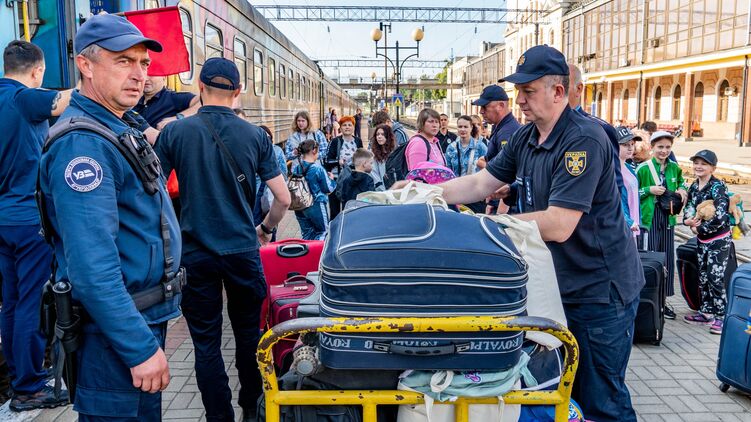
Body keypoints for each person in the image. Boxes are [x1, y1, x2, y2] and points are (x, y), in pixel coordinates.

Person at [394, 45, 644, 422]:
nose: (521, 100)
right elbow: (480, 183)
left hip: (599, 291)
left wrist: (478, 227)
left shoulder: (584, 140)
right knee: (559, 392)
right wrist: (422, 192)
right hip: (558, 285)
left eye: (529, 91)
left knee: (601, 399)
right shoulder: (527, 138)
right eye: (519, 91)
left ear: (558, 91)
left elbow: (559, 224)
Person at [38, 14, 183, 419]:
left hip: (131, 321)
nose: (139, 75)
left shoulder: (116, 126)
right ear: (85, 65)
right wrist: (138, 349)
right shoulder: (84, 147)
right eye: (123, 61)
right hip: (112, 336)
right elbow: (92, 268)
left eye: (143, 63)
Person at [155, 57, 290, 422]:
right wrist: (264, 229)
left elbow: (152, 193)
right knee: (249, 336)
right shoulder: (256, 136)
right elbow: (283, 199)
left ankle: (219, 416)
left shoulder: (175, 133)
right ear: (238, 92)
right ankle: (252, 409)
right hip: (243, 251)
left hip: (194, 254)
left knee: (205, 344)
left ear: (200, 88)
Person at [0, 39, 73, 411]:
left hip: (3, 220)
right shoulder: (24, 98)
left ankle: (20, 376)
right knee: (31, 301)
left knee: (11, 302)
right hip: (29, 220)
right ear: (37, 71)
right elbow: (68, 100)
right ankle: (28, 388)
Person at [636, 130, 688, 320]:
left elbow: (682, 183)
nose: (664, 151)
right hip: (649, 219)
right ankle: (648, 299)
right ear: (652, 147)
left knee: (666, 258)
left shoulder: (674, 167)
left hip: (668, 218)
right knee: (650, 258)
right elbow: (632, 193)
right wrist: (649, 190)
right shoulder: (643, 168)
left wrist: (682, 189)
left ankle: (663, 301)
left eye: (667, 147)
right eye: (660, 147)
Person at [682, 150, 731, 335]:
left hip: (718, 240)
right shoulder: (694, 186)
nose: (699, 166)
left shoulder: (718, 187)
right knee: (703, 276)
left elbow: (720, 217)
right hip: (702, 240)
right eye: (696, 163)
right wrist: (687, 220)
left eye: (704, 164)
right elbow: (689, 207)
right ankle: (706, 312)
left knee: (715, 278)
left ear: (713, 168)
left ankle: (722, 317)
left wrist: (699, 229)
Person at [568, 64, 625, 198]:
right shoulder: (541, 129)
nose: (555, 93)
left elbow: (614, 187)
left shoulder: (600, 129)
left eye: (562, 86)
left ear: (578, 89)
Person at [472, 85, 522, 214]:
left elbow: (509, 173)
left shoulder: (507, 132)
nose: (481, 111)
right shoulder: (500, 127)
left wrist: (500, 208)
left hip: (505, 202)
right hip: (498, 197)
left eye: (485, 107)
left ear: (501, 105)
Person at [292, 140, 336, 240]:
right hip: (316, 204)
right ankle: (319, 250)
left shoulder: (297, 168)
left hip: (300, 205)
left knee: (307, 234)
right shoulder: (318, 169)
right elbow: (328, 188)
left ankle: (307, 250)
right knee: (323, 232)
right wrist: (332, 179)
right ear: (314, 150)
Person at [444, 115, 488, 213]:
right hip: (456, 194)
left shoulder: (480, 147)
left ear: (471, 127)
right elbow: (448, 171)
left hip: (475, 194)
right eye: (460, 127)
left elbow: (489, 169)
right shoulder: (451, 148)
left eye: (465, 127)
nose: (463, 129)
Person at [252, 123, 287, 242]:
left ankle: (271, 245)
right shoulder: (252, 150)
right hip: (256, 194)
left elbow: (283, 173)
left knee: (270, 224)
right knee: (256, 222)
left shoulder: (277, 150)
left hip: (271, 193)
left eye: (267, 137)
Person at [325, 115, 363, 220]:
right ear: (340, 128)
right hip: (336, 180)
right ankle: (335, 228)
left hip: (352, 180)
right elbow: (326, 160)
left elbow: (363, 158)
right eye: (344, 125)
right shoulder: (335, 141)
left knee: (350, 209)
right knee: (335, 211)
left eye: (350, 125)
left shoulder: (358, 141)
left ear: (353, 127)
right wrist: (338, 162)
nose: (347, 127)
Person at [133, 75, 199, 130]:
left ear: (164, 77)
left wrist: (178, 118)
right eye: (144, 74)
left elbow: (203, 101)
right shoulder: (134, 102)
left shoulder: (174, 98)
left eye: (152, 74)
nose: (146, 78)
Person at [616, 126, 641, 238]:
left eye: (632, 144)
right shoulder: (613, 171)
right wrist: (628, 221)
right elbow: (615, 200)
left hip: (633, 225)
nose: (630, 148)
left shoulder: (629, 167)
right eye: (625, 145)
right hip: (623, 226)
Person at [370, 124, 396, 190]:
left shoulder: (395, 152)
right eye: (377, 134)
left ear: (388, 136)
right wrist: (381, 188)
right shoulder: (373, 153)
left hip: (394, 187)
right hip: (380, 189)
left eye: (382, 134)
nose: (379, 137)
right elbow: (374, 173)